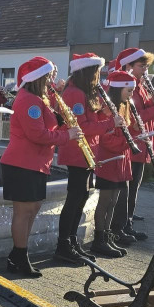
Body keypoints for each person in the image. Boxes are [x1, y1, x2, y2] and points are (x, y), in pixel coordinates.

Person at [0, 57, 81, 277]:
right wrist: (67, 135)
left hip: (35, 163)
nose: (52, 79)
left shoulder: (40, 99)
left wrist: (63, 120)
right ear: (39, 77)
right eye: (49, 76)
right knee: (23, 210)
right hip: (22, 163)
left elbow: (46, 127)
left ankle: (18, 255)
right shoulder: (28, 100)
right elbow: (37, 134)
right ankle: (19, 256)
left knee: (32, 209)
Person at [54, 53, 117, 265]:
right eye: (97, 72)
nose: (99, 76)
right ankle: (63, 245)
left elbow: (92, 120)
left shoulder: (86, 92)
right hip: (77, 152)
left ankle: (72, 241)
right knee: (74, 199)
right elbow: (81, 127)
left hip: (87, 152)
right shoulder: (73, 93)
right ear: (88, 72)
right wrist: (109, 123)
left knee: (81, 198)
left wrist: (105, 114)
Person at [110, 48, 154, 246]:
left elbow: (148, 118)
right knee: (127, 190)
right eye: (141, 66)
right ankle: (122, 226)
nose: (145, 70)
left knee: (134, 189)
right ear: (128, 66)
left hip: (143, 144)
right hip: (131, 144)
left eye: (146, 66)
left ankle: (128, 223)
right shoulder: (125, 88)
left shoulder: (142, 87)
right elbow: (132, 119)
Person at [90, 71, 139, 258]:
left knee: (114, 201)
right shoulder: (106, 109)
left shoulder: (124, 106)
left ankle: (108, 235)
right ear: (119, 89)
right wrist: (129, 141)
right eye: (129, 90)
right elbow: (106, 139)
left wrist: (135, 134)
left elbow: (126, 131)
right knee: (105, 200)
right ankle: (99, 238)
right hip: (109, 160)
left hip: (121, 161)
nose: (131, 94)